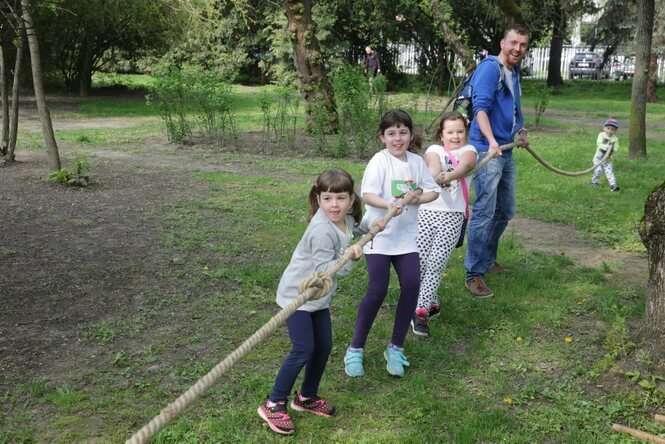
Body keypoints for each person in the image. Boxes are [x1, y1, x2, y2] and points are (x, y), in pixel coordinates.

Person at [258, 169, 365, 435]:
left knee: (323, 346)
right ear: (318, 199)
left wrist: (376, 225)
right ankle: (273, 403)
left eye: (340, 198)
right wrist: (351, 258)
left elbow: (356, 228)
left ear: (351, 199)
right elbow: (326, 271)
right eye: (327, 199)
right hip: (298, 296)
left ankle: (306, 397)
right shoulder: (321, 231)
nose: (334, 205)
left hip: (319, 299)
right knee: (303, 348)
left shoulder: (346, 219)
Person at [344, 109, 439, 378]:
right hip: (379, 235)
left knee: (411, 285)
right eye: (391, 133)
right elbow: (367, 194)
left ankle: (396, 347)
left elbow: (432, 191)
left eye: (403, 132)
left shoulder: (417, 162)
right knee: (377, 290)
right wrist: (389, 204)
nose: (398, 138)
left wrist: (417, 198)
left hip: (406, 239)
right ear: (382, 137)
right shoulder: (380, 161)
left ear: (410, 135)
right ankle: (355, 348)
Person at [463, 25, 530, 299]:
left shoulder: (513, 71)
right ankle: (473, 273)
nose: (517, 48)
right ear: (502, 43)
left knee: (506, 210)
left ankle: (487, 259)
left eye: (522, 44)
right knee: (484, 212)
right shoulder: (490, 69)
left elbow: (514, 108)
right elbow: (480, 108)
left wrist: (520, 130)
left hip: (506, 149)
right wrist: (491, 142)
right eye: (513, 42)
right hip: (487, 150)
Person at [411, 111, 478, 337]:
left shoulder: (470, 150)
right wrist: (434, 176)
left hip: (452, 216)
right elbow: (432, 165)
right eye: (450, 132)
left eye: (460, 131)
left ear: (466, 133)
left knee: (437, 262)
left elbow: (466, 165)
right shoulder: (434, 150)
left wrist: (448, 177)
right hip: (426, 212)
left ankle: (420, 311)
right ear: (441, 135)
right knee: (420, 261)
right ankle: (431, 301)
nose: (455, 136)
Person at [591, 118, 620, 192]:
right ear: (604, 128)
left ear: (615, 131)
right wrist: (607, 147)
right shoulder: (601, 135)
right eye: (608, 128)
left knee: (609, 172)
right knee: (598, 170)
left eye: (612, 129)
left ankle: (613, 185)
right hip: (598, 158)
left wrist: (613, 149)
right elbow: (599, 143)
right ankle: (594, 182)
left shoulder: (615, 139)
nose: (610, 131)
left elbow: (616, 147)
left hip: (607, 160)